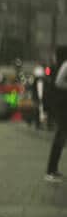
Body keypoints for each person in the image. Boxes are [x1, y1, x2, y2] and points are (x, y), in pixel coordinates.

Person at [45, 47, 67, 182]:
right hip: (63, 106)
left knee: (62, 137)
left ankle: (53, 169)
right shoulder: (66, 64)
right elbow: (59, 82)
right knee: (60, 136)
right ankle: (50, 170)